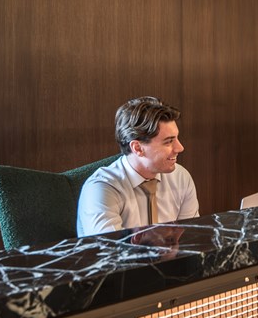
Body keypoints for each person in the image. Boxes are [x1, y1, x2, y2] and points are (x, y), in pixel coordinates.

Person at [77, 96, 199, 235]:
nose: (180, 148)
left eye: (177, 138)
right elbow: (110, 252)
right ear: (137, 148)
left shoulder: (180, 176)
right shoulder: (101, 189)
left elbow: (190, 240)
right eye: (168, 141)